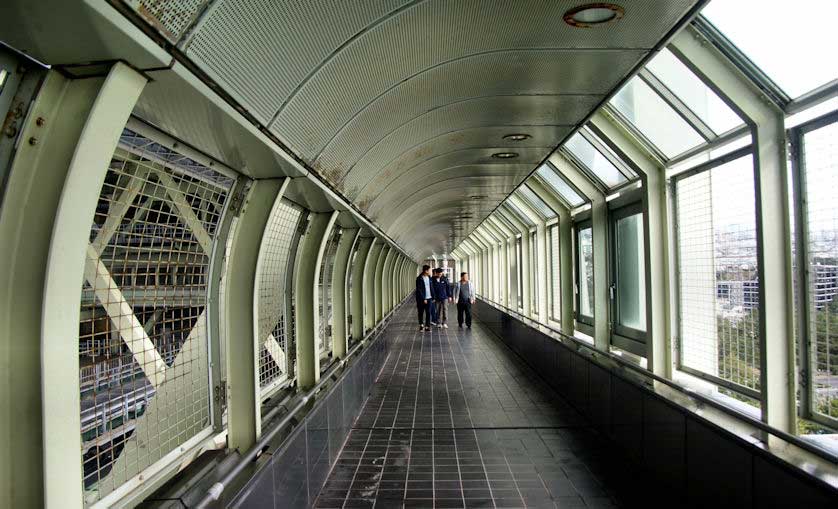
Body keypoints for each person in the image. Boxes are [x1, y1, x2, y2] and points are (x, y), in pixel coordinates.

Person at [414, 265, 435, 331]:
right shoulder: (419, 278)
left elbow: (431, 288)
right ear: (426, 271)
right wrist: (424, 298)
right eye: (430, 270)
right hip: (421, 299)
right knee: (421, 312)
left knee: (428, 312)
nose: (431, 271)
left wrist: (433, 297)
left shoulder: (429, 278)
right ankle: (421, 325)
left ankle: (427, 326)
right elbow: (419, 290)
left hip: (429, 298)